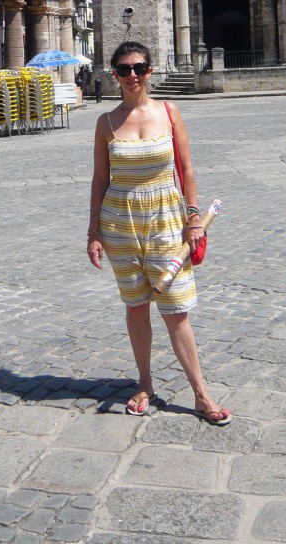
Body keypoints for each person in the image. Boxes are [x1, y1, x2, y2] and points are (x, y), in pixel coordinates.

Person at [87, 41, 230, 425]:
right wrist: (93, 232)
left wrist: (194, 217)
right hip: (120, 226)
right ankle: (144, 383)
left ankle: (201, 395)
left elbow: (187, 168)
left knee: (176, 310)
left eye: (138, 67)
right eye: (123, 69)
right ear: (113, 74)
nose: (131, 75)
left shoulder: (169, 112)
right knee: (136, 307)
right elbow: (100, 180)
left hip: (167, 221)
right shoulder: (106, 122)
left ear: (149, 70)